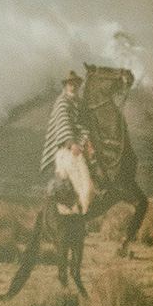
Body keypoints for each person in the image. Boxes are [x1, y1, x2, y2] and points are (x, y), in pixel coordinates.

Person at [41, 69, 93, 215]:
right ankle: (78, 210)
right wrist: (71, 143)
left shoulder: (79, 103)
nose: (73, 87)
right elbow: (63, 124)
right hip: (66, 149)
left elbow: (84, 124)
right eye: (71, 84)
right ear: (66, 86)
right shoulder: (62, 102)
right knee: (84, 184)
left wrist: (86, 140)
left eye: (76, 84)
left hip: (80, 145)